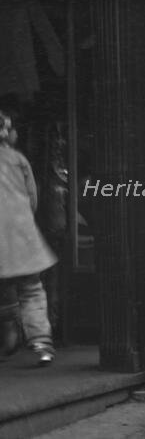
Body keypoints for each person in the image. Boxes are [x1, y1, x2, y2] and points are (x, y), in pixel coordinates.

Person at [0, 111, 57, 365]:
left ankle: (9, 329)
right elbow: (33, 198)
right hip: (23, 235)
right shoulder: (18, 159)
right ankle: (42, 343)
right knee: (32, 289)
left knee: (5, 288)